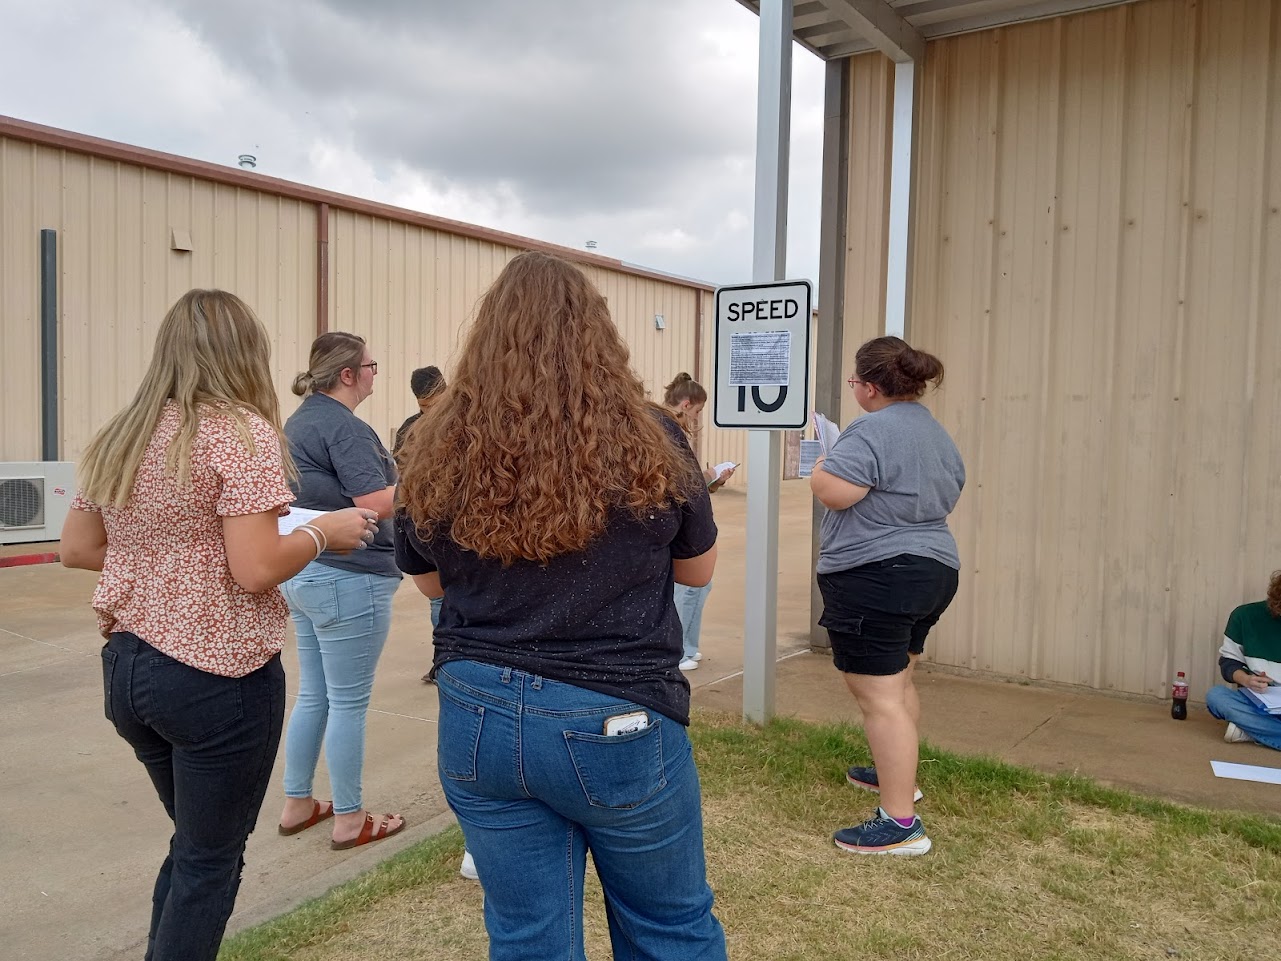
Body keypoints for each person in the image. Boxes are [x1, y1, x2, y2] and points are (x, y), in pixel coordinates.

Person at [395, 251, 727, 960]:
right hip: (615, 713)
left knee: (526, 938)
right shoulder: (648, 434)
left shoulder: (439, 440)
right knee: (668, 926)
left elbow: (430, 583)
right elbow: (696, 567)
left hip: (477, 711)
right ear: (597, 334)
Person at [59, 289, 378, 961]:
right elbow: (257, 567)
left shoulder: (124, 430)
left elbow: (78, 549)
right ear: (245, 352)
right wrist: (325, 531)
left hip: (127, 666)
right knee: (210, 861)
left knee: (195, 847)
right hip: (216, 677)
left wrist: (163, 569)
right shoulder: (239, 431)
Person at [809, 335, 964, 857]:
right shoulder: (935, 433)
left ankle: (900, 823)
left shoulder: (870, 430)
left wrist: (822, 462)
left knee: (879, 698)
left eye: (854, 382)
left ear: (870, 387)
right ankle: (895, 776)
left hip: (877, 575)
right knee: (899, 680)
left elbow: (834, 489)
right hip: (933, 569)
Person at [277, 332, 406, 850]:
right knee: (349, 702)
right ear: (349, 374)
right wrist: (432, 480)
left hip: (305, 570)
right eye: (371, 364)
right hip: (350, 578)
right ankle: (351, 818)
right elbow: (374, 500)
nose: (376, 372)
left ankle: (297, 802)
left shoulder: (299, 420)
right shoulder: (344, 427)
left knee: (315, 694)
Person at [663, 372, 735, 672]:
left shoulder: (667, 429)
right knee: (689, 590)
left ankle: (688, 647)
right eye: (697, 412)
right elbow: (679, 483)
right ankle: (679, 651)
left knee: (697, 589)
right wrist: (707, 478)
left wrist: (713, 481)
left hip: (684, 523)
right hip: (677, 528)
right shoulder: (666, 431)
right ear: (686, 404)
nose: (696, 419)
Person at [1205, 571, 1281, 750]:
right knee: (1216, 697)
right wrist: (1247, 680)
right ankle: (1258, 729)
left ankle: (1252, 730)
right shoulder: (1245, 616)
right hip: (1259, 703)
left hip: (1262, 715)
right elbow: (1229, 664)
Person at [392, 365, 446, 458]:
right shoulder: (407, 431)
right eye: (424, 406)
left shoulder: (464, 421)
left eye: (436, 404)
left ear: (447, 393)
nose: (431, 412)